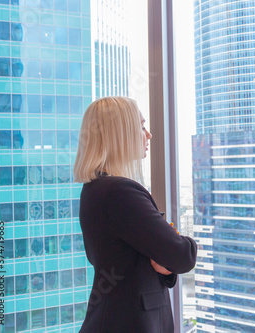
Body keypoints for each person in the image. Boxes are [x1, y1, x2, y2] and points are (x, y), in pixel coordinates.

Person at [73, 96, 197, 332]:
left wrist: (166, 261)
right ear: (120, 134)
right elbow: (183, 254)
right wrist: (177, 246)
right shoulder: (120, 192)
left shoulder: (95, 189)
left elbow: (133, 260)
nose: (148, 134)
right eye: (141, 126)